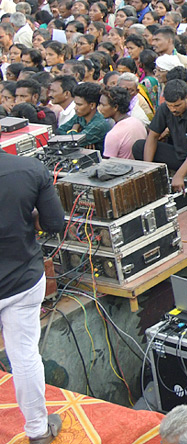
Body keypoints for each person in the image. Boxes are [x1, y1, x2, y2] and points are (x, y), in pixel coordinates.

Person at [0, 147, 66, 444]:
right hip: (20, 280)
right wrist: (26, 217)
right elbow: (53, 223)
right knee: (24, 356)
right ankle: (38, 431)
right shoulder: (29, 169)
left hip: (19, 280)